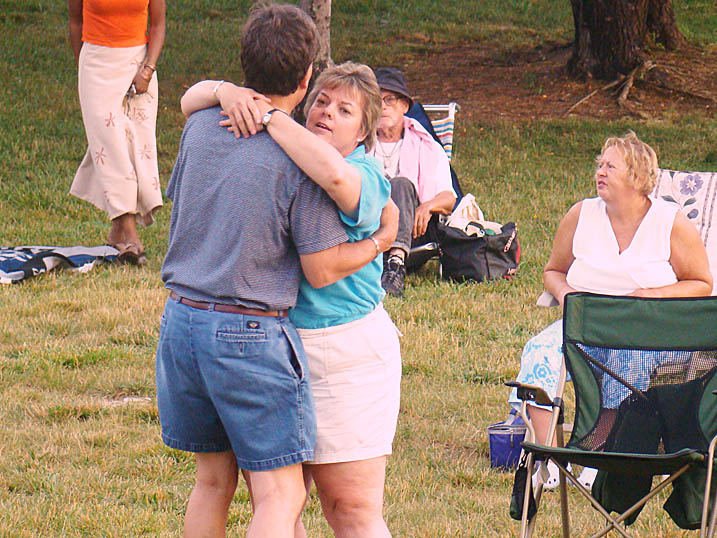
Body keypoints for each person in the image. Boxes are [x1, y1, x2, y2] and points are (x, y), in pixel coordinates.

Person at [156, 7, 397, 538]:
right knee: (281, 496)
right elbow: (320, 265)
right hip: (248, 333)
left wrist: (221, 92)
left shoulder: (201, 126)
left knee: (212, 484)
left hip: (182, 323)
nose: (328, 113)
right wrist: (384, 239)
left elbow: (189, 105)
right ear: (307, 81)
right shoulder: (301, 162)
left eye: (345, 109)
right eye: (325, 101)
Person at [509, 131, 713, 488]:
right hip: (583, 324)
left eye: (611, 167)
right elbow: (553, 271)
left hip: (642, 329)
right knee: (539, 353)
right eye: (599, 165)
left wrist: (654, 295)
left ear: (637, 176)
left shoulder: (670, 223)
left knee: (625, 366)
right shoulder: (580, 215)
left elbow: (701, 283)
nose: (600, 172)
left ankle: (597, 458)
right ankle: (551, 458)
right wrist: (567, 294)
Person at [68, 0, 166, 265]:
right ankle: (131, 236)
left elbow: (158, 25)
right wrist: (83, 69)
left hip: (138, 65)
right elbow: (75, 22)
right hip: (96, 65)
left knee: (134, 146)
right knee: (110, 145)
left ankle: (116, 231)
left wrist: (148, 69)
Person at [367, 67, 457, 297]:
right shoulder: (358, 144)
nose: (383, 107)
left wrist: (427, 207)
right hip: (368, 229)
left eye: (390, 100)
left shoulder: (427, 146)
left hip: (415, 232)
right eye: (376, 100)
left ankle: (396, 265)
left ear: (405, 106)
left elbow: (449, 198)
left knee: (400, 184)